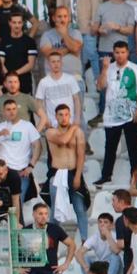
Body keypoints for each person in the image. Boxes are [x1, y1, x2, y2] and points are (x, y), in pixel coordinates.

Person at [96, 40, 137, 186]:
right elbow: (100, 86)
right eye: (117, 52)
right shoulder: (109, 68)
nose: (119, 55)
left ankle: (136, 177)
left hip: (130, 115)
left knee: (133, 148)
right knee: (110, 147)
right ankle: (106, 175)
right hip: (111, 116)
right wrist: (105, 69)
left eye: (123, 52)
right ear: (113, 53)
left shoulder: (135, 69)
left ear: (127, 53)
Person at [44, 103, 90, 241]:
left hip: (73, 171)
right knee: (55, 209)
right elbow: (63, 140)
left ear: (70, 115)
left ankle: (84, 241)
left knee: (80, 209)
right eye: (60, 115)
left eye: (66, 114)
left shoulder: (78, 133)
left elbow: (81, 155)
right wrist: (74, 127)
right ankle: (51, 241)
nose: (64, 118)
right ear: (56, 117)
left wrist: (77, 176)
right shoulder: (51, 132)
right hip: (57, 174)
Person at [22, 202, 74, 274]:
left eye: (46, 214)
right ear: (34, 214)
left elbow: (71, 244)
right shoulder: (26, 230)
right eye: (40, 213)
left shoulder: (54, 229)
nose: (43, 216)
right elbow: (14, 249)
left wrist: (65, 264)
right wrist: (19, 268)